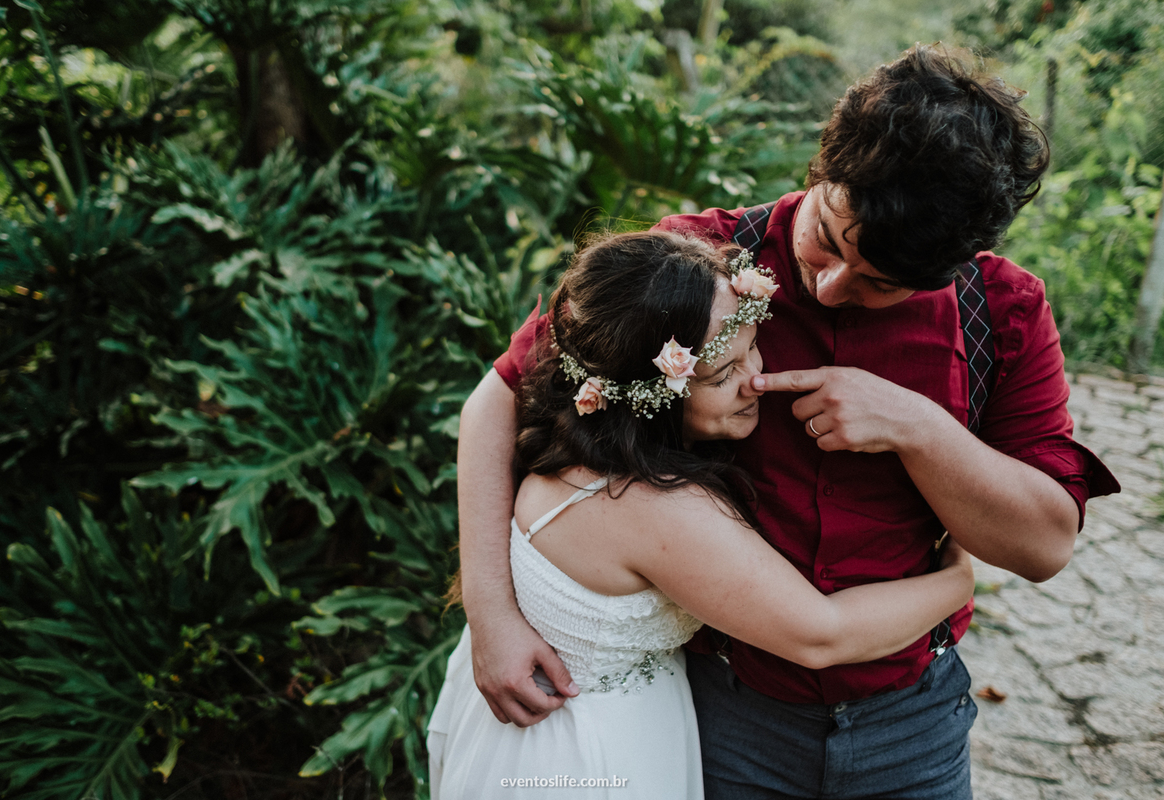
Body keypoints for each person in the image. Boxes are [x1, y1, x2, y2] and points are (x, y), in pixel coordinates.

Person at [456, 44, 1120, 799]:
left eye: (881, 285)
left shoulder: (1002, 313)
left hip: (912, 724)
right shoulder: (694, 266)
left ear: (959, 262)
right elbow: (501, 394)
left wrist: (920, 428)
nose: (832, 288)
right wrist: (491, 614)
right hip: (716, 715)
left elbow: (1042, 547)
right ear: (822, 165)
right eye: (829, 241)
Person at [428, 230, 975, 799]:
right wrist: (957, 577)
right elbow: (822, 634)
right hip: (589, 760)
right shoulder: (648, 505)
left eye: (754, 347)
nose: (756, 381)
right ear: (651, 395)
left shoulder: (574, 447)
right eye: (722, 375)